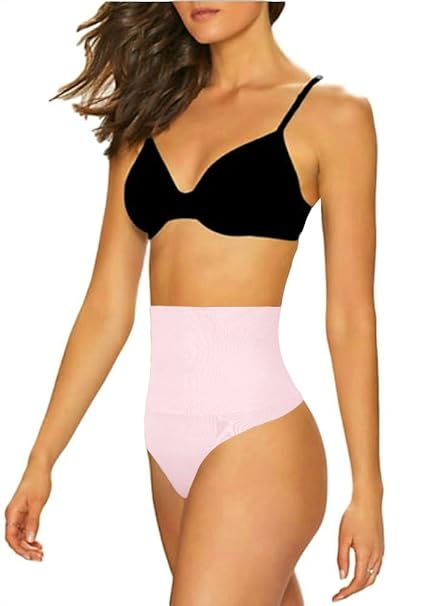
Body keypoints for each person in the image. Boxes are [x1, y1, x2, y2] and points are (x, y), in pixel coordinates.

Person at [4, 2, 384, 604]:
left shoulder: (332, 114)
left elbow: (350, 318)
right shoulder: (146, 118)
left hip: (259, 436)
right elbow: (107, 306)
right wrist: (40, 459)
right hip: (166, 445)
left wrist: (368, 491)